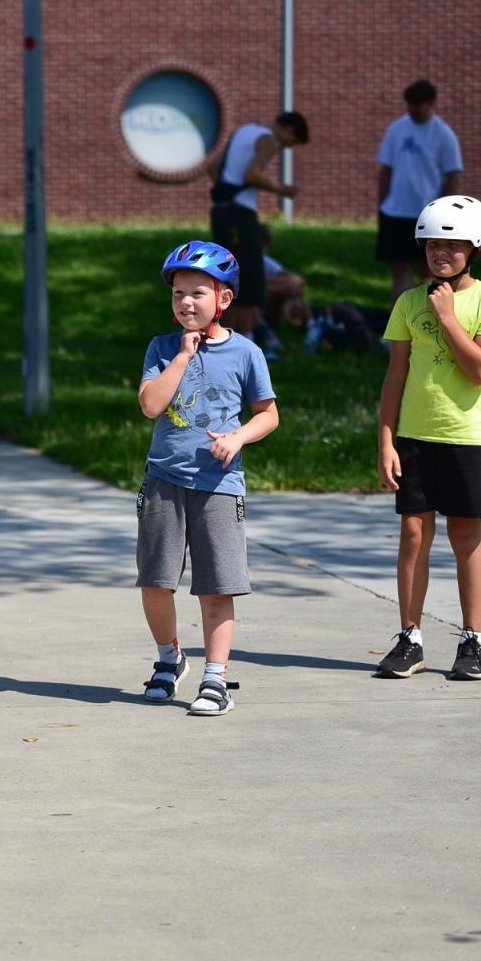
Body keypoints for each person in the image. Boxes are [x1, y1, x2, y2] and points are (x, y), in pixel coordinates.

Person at [135, 240, 279, 716]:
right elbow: (152, 405)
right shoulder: (161, 348)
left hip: (219, 487)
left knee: (217, 587)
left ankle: (215, 678)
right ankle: (169, 659)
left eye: (198, 292)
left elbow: (268, 415)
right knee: (157, 583)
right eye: (178, 293)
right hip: (164, 483)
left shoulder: (246, 353)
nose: (186, 303)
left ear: (224, 299)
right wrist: (181, 357)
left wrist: (238, 438)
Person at [374, 195, 481, 681]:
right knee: (413, 533)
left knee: (465, 534)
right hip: (414, 435)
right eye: (433, 244)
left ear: (476, 248)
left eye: (452, 245)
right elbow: (395, 376)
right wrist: (386, 440)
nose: (440, 253)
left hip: (466, 437)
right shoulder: (409, 302)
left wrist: (450, 317)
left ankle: (473, 641)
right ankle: (409, 638)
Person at [207, 111, 309, 341]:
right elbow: (253, 174)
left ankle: (221, 340)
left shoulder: (243, 132)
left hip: (221, 212)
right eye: (290, 142)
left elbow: (212, 167)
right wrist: (283, 190)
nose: (285, 147)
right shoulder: (269, 140)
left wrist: (226, 191)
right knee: (248, 284)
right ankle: (243, 342)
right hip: (240, 216)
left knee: (229, 277)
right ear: (290, 129)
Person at [376, 80, 463, 302]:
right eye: (410, 104)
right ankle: (397, 330)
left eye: (418, 105)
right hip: (396, 214)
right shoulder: (397, 129)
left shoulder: (443, 134)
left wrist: (444, 211)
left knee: (429, 272)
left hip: (428, 215)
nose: (413, 109)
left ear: (431, 103)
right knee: (400, 271)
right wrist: (382, 203)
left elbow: (453, 175)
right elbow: (386, 169)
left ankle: (424, 327)